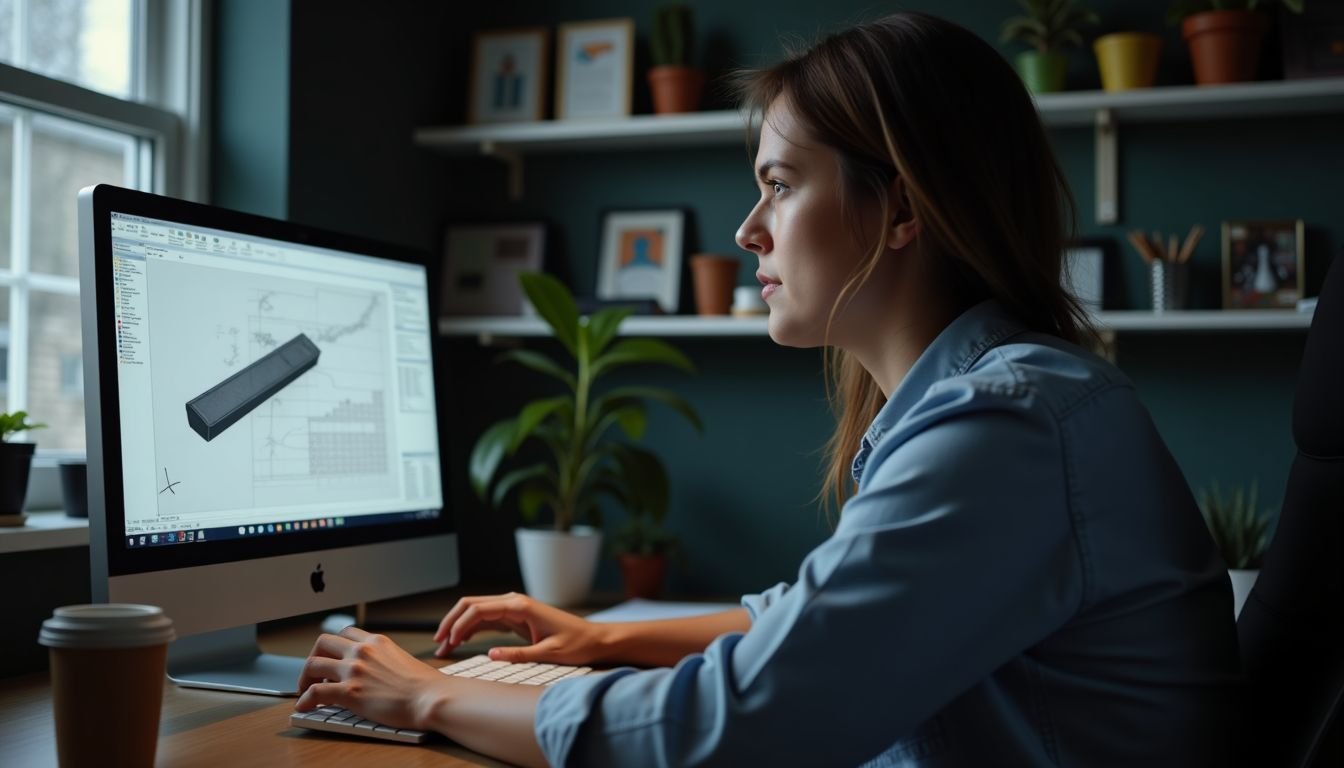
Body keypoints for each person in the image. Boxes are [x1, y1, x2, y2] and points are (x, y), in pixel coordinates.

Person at [296, 12, 1240, 766]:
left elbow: (742, 727)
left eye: (781, 186)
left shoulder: (1007, 427)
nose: (750, 231)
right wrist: (603, 640)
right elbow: (821, 621)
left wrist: (426, 693)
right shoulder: (998, 404)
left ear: (902, 206)